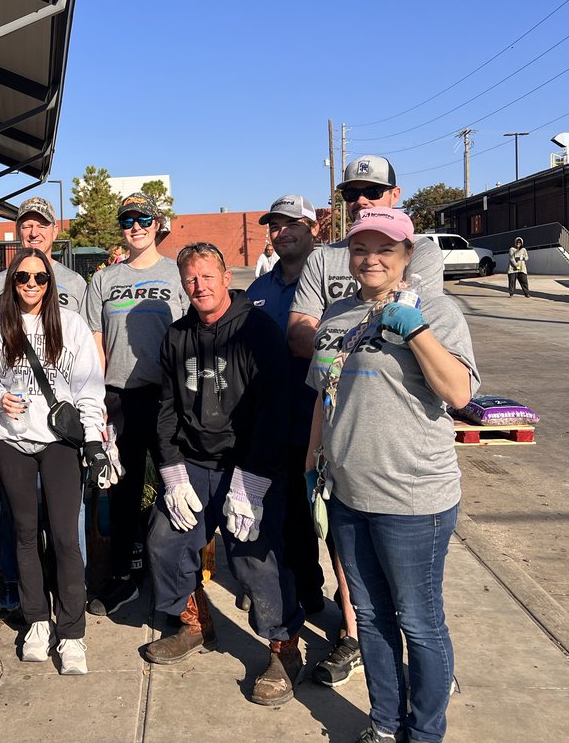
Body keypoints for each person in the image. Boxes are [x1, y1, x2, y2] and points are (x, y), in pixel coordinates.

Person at [305, 207, 478, 743]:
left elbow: (459, 393)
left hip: (414, 499)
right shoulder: (335, 316)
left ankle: (424, 733)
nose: (371, 258)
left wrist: (416, 331)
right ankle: (384, 723)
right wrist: (312, 462)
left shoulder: (438, 311)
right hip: (348, 496)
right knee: (372, 620)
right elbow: (322, 396)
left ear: (407, 255)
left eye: (386, 249)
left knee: (419, 623)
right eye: (361, 248)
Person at [287, 154, 444, 688]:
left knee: (414, 598)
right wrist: (353, 343)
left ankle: (428, 672)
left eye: (373, 192)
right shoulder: (322, 260)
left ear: (395, 198)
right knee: (350, 561)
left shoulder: (420, 250)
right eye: (353, 192)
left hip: (403, 451)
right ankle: (353, 638)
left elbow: (425, 328)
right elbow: (302, 331)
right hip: (341, 425)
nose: (362, 200)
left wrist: (353, 340)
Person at [146, 241, 304, 707]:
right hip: (194, 461)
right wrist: (171, 471)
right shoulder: (177, 336)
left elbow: (276, 411)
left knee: (256, 555)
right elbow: (167, 409)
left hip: (249, 461)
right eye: (190, 279)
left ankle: (282, 647)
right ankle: (194, 622)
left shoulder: (259, 330)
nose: (199, 286)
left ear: (224, 277)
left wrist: (252, 481)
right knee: (164, 538)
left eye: (207, 276)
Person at [0, 248, 106, 675]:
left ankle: (71, 631)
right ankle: (36, 621)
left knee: (66, 536)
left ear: (50, 283)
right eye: (23, 278)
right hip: (12, 439)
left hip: (58, 442)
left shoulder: (71, 327)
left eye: (40, 278)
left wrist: (93, 441)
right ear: (11, 283)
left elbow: (89, 389)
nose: (31, 285)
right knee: (26, 533)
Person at [82, 191, 187, 616]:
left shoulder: (177, 275)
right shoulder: (104, 280)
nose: (136, 227)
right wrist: (99, 399)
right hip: (119, 398)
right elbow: (96, 344)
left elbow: (189, 338)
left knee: (173, 485)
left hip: (165, 397)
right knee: (123, 492)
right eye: (127, 220)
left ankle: (178, 579)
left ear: (157, 223)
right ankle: (124, 576)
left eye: (143, 218)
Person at [245, 195, 326, 618]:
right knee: (287, 512)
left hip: (321, 416)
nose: (283, 232)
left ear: (312, 228)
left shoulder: (331, 282)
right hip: (274, 418)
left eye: (293, 223)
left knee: (330, 519)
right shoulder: (258, 290)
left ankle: (352, 616)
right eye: (275, 225)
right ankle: (303, 591)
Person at [0, 197, 87, 323]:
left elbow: (87, 334)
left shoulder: (75, 282)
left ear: (55, 231)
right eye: (27, 226)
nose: (34, 233)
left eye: (42, 226)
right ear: (17, 231)